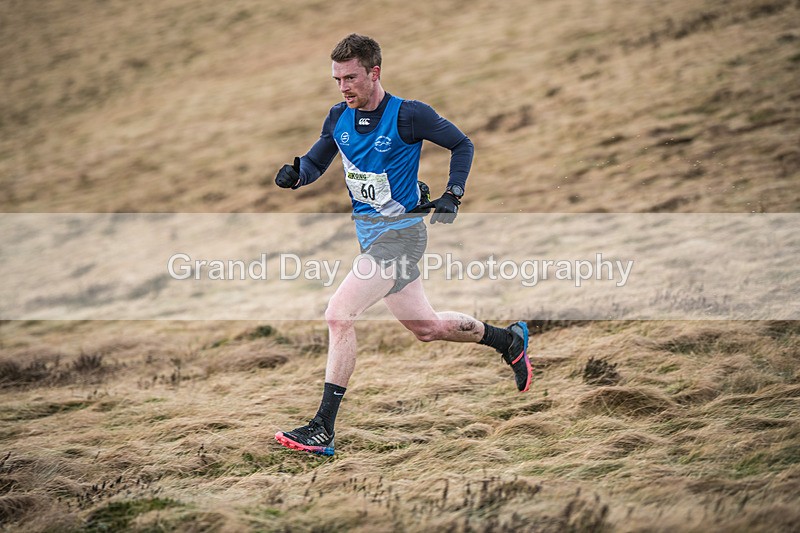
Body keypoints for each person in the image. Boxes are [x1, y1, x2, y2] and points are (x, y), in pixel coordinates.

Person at [273, 34, 531, 456]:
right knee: (425, 328)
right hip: (372, 237)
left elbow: (462, 144)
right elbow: (318, 161)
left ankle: (323, 429)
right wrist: (297, 175)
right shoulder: (338, 116)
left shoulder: (409, 115)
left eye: (351, 78)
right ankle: (509, 341)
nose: (344, 87)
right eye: (337, 79)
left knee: (339, 316)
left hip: (402, 238)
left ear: (375, 73)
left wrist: (453, 194)